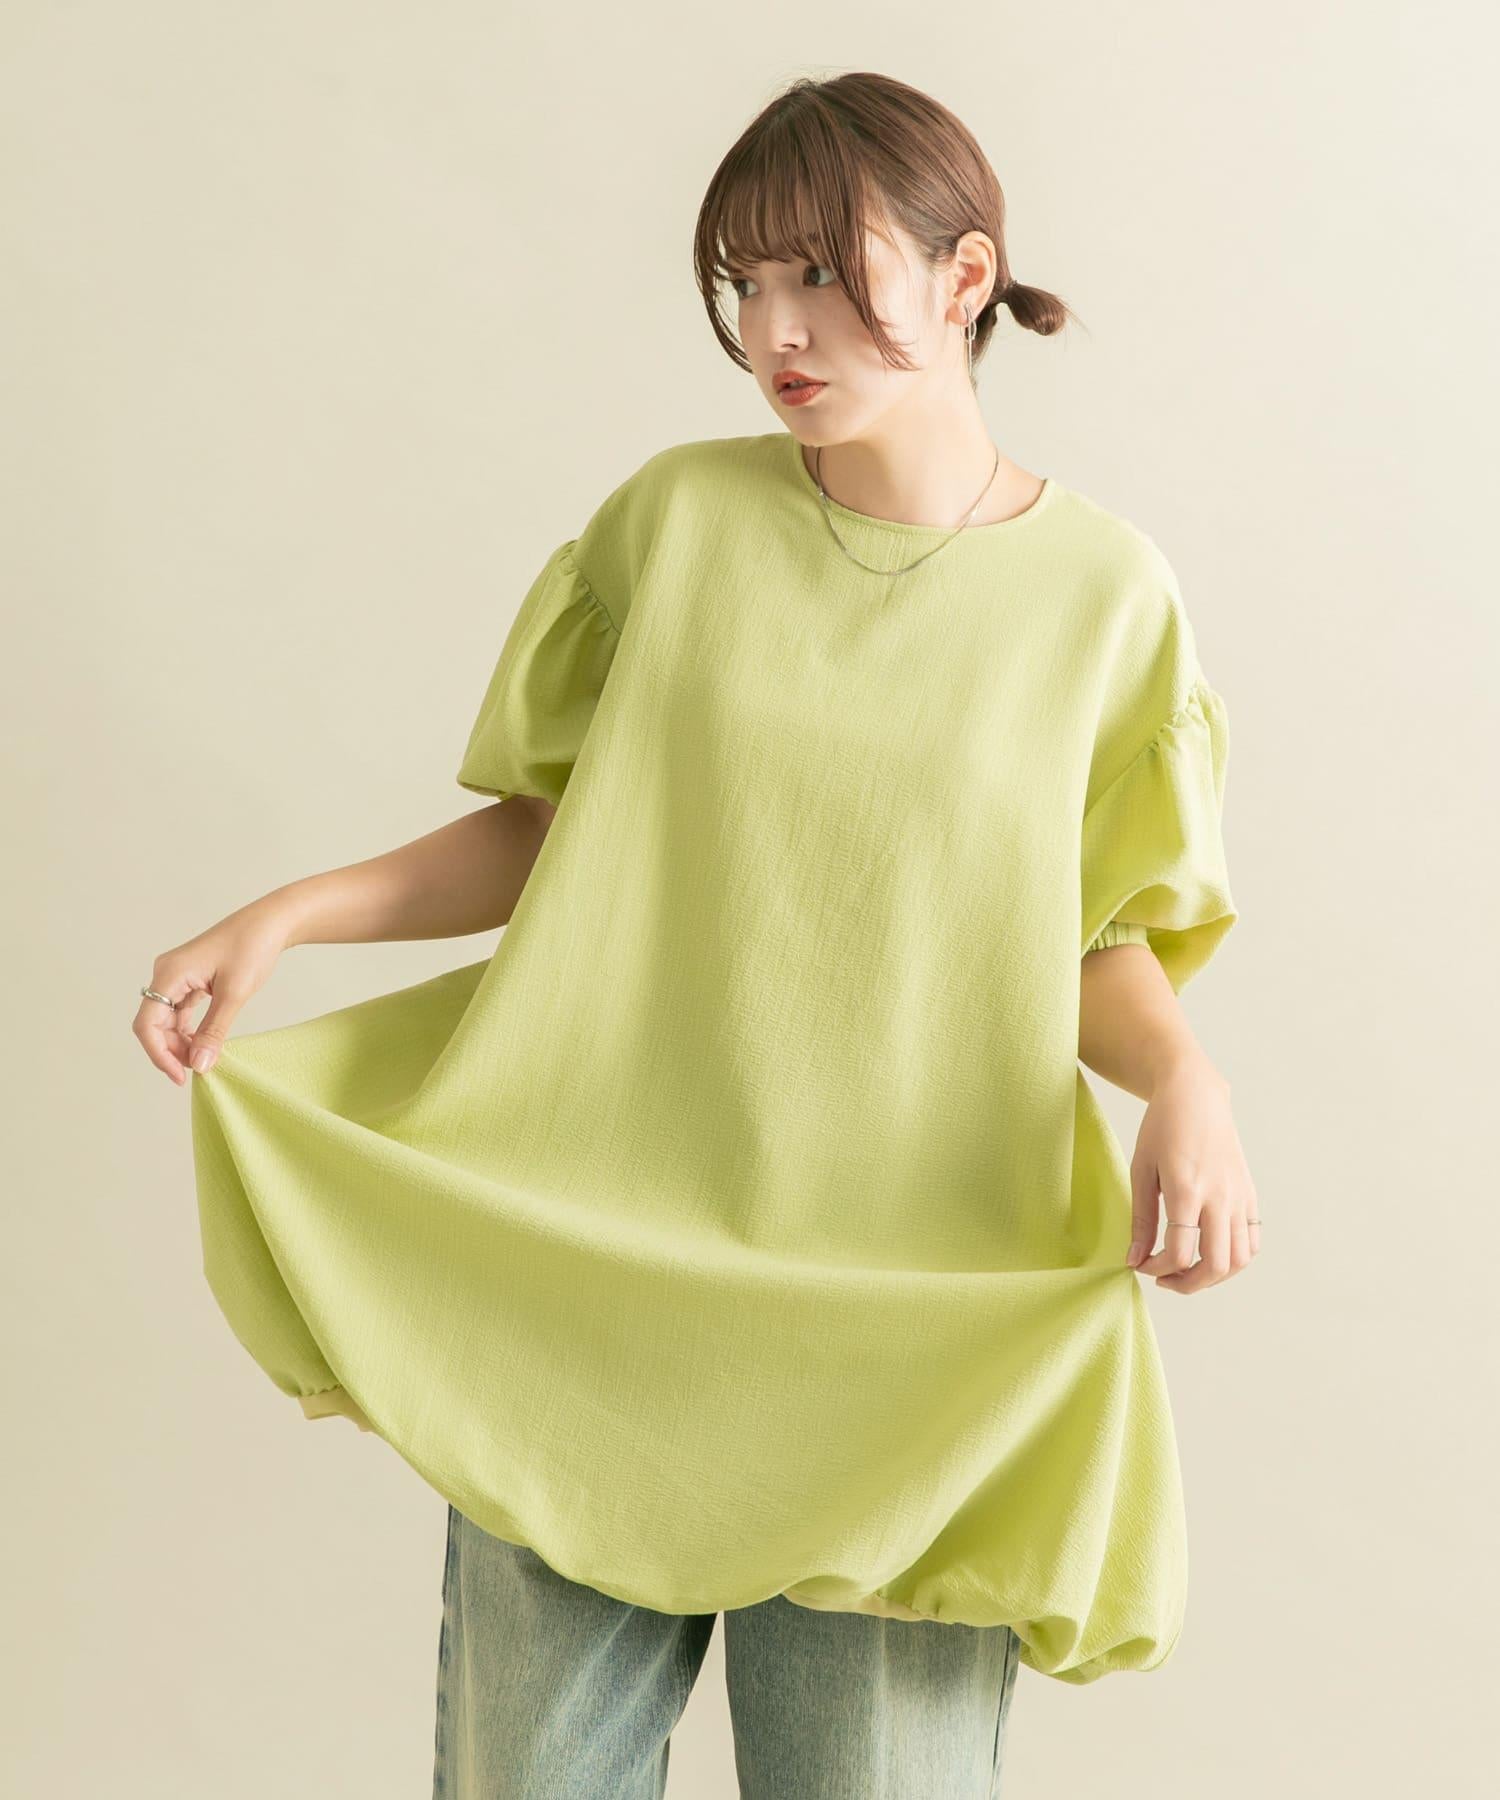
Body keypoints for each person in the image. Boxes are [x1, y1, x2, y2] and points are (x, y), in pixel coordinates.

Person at [135, 70, 1258, 1800]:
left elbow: (1086, 935)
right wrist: (290, 918)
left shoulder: (1105, 600)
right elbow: (559, 833)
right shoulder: (676, 522)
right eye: (747, 283)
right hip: (595, 1291)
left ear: (965, 275)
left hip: (909, 1331)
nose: (775, 331)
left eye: (823, 274)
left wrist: (1186, 1082)